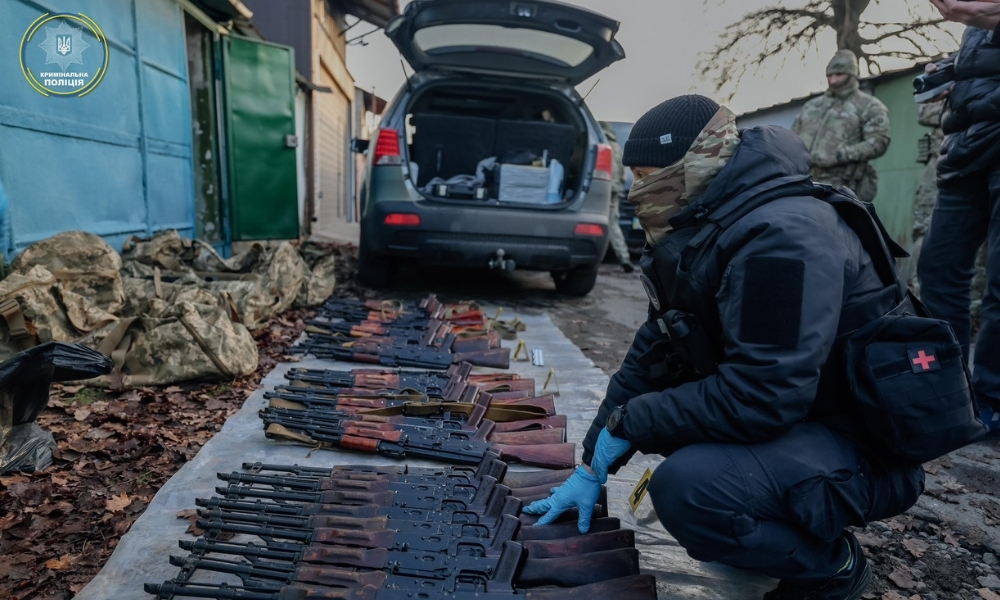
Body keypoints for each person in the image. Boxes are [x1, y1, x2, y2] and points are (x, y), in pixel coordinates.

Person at [523, 95, 924, 600]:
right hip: (808, 421)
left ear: (694, 166)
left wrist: (633, 422)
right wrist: (592, 463)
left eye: (646, 176)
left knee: (690, 489)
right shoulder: (719, 223)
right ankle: (768, 519)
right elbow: (657, 348)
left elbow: (762, 397)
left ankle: (833, 566)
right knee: (682, 440)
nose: (636, 190)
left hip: (865, 449)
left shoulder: (783, 236)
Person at [917, 3, 1000, 431]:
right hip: (965, 150)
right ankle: (945, 391)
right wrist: (951, 71)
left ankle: (992, 401)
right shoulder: (973, 29)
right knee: (937, 270)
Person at [791, 50, 890, 203]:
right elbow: (792, 137)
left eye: (839, 75)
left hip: (842, 185)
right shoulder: (811, 106)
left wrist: (840, 155)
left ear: (851, 74)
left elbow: (878, 142)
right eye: (829, 76)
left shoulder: (869, 106)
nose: (833, 80)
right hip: (804, 180)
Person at [599, 121, 635, 273]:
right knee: (613, 223)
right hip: (616, 190)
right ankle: (624, 257)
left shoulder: (599, 144)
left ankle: (594, 257)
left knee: (595, 222)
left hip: (601, 188)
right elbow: (623, 174)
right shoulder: (617, 147)